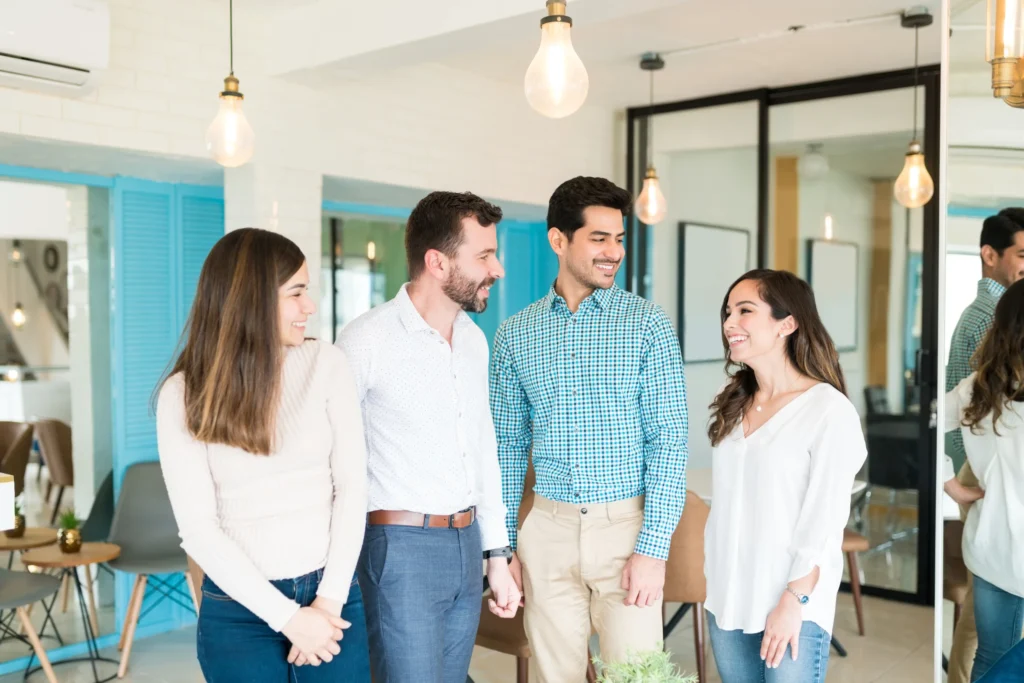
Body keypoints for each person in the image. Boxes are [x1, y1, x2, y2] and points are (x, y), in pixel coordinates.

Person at [490, 176, 688, 682]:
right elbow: (507, 447)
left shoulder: (647, 324)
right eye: (599, 238)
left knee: (637, 677)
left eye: (619, 239)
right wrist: (505, 545)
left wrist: (653, 548)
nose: (613, 252)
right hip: (547, 534)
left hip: (626, 529)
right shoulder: (516, 333)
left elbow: (668, 440)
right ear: (559, 240)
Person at [155, 228, 370, 682]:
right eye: (296, 293)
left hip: (332, 597)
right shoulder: (182, 395)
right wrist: (290, 620)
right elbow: (198, 530)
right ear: (252, 300)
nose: (309, 307)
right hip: (239, 612)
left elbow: (353, 486)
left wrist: (327, 604)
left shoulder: (327, 364)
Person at [336, 191, 521, 683]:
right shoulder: (364, 340)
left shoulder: (475, 340)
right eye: (483, 256)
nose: (496, 268)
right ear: (437, 262)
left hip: (467, 543)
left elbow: (485, 452)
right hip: (398, 548)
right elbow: (330, 458)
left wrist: (497, 555)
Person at [703, 269, 866, 683]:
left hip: (792, 602)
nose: (729, 323)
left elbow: (823, 522)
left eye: (745, 311)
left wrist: (793, 601)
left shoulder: (828, 411)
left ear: (787, 324)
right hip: (726, 599)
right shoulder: (734, 402)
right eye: (727, 312)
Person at [945, 208, 1024, 683]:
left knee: (990, 644)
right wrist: (954, 480)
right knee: (985, 639)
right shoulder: (983, 320)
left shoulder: (983, 381)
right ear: (989, 255)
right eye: (1022, 252)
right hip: (987, 488)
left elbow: (941, 415)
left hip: (992, 513)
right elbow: (945, 417)